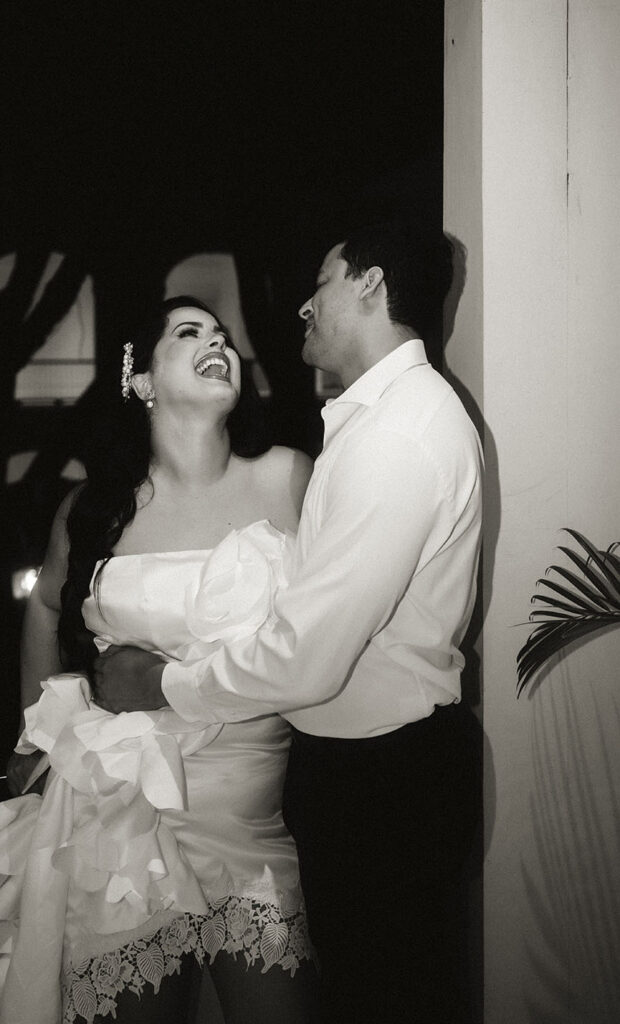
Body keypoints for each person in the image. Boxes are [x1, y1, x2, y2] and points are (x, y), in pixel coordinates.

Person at [92, 222, 484, 1024]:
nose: (304, 304)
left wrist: (162, 682)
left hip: (381, 784)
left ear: (370, 285)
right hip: (342, 779)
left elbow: (307, 657)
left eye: (323, 281)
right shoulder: (369, 422)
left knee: (385, 996)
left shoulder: (398, 436)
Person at [0, 296, 319, 1024]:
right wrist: (36, 732)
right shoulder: (97, 509)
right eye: (189, 334)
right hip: (123, 822)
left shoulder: (287, 478)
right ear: (142, 380)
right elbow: (47, 607)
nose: (218, 342)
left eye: (222, 336)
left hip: (248, 820)